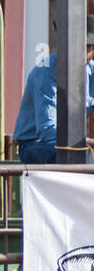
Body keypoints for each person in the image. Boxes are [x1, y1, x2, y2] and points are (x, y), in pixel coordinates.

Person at [13, 14, 94, 164]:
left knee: (80, 153)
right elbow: (47, 130)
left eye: (88, 46)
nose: (83, 51)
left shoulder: (91, 71)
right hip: (35, 144)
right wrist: (87, 141)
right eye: (79, 45)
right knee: (80, 156)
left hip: (71, 143)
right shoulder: (45, 73)